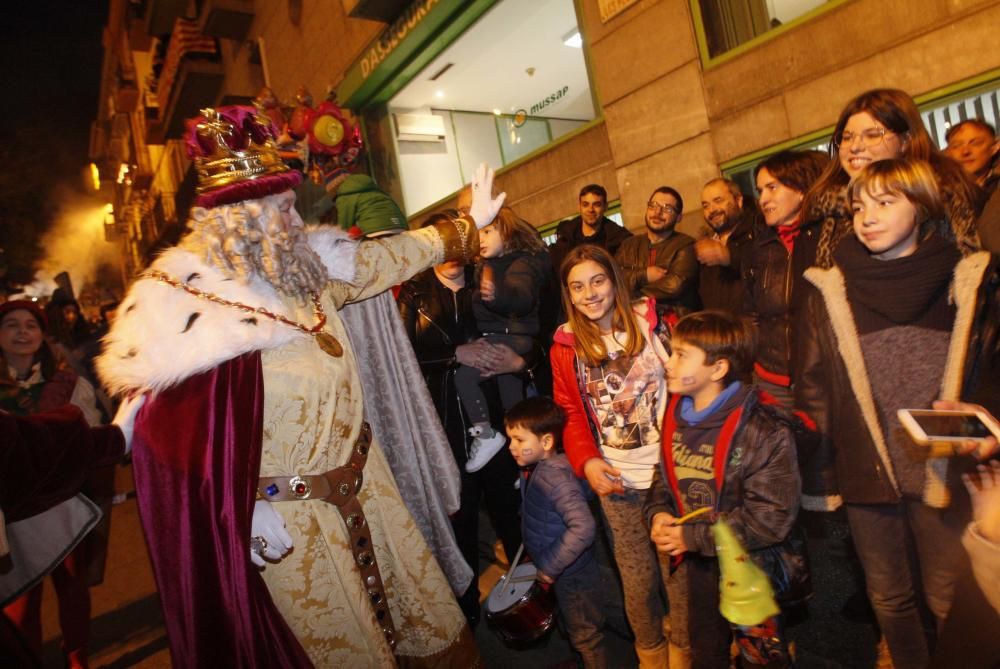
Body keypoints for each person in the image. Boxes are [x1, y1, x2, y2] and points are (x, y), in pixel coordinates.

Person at [95, 106, 506, 667]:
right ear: (243, 217)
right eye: (283, 208)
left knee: (424, 629)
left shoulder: (306, 270)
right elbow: (166, 446)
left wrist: (462, 229)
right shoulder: (184, 305)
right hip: (290, 526)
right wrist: (235, 508)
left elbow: (383, 259)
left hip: (369, 495)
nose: (296, 219)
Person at [794, 158, 999, 669]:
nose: (867, 216)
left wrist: (987, 423)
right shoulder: (829, 289)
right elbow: (813, 389)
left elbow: (990, 368)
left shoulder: (968, 281)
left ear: (922, 205)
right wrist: (820, 482)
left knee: (951, 596)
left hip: (946, 473)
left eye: (886, 203)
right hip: (868, 470)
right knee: (889, 597)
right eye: (859, 206)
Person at [549, 245, 681, 668]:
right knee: (638, 580)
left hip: (668, 474)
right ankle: (651, 656)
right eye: (577, 286)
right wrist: (587, 462)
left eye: (598, 281)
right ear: (568, 295)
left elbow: (686, 386)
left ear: (615, 281)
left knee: (678, 575)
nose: (589, 294)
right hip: (616, 482)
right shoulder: (565, 346)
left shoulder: (656, 324)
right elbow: (569, 412)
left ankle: (685, 650)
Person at [644, 310, 800, 668]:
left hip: (754, 566)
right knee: (706, 648)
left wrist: (691, 538)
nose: (669, 361)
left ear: (717, 369)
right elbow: (664, 478)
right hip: (703, 564)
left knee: (759, 656)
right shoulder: (677, 414)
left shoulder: (765, 430)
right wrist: (660, 512)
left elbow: (770, 519)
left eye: (682, 354)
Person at [397, 211, 525, 627]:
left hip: (502, 420)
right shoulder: (412, 293)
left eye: (459, 240)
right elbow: (400, 361)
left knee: (512, 511)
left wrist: (518, 360)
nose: (453, 252)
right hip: (445, 426)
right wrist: (455, 357)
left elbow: (532, 334)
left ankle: (530, 600)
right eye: (443, 241)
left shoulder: (491, 281)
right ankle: (466, 614)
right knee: (461, 518)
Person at [0, 300, 104, 669]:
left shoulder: (68, 384)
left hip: (65, 504)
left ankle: (77, 658)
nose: (22, 331)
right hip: (11, 514)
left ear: (43, 335)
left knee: (72, 589)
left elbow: (91, 441)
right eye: (11, 324)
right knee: (20, 601)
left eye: (31, 324)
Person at [807, 88, 982, 270]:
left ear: (905, 141)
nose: (855, 147)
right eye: (847, 137)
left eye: (873, 135)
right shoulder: (824, 210)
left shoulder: (937, 199)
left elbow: (965, 279)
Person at [507, 396, 607, 669]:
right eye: (510, 439)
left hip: (572, 573)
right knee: (570, 624)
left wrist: (550, 566)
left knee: (585, 634)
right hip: (562, 569)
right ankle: (579, 661)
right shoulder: (538, 468)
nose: (511, 447)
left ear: (547, 442)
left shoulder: (556, 478)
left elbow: (584, 527)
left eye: (519, 440)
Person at [453, 207, 549, 472]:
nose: (481, 238)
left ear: (505, 232)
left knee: (464, 377)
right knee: (513, 407)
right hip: (505, 338)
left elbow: (521, 297)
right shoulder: (486, 265)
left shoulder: (520, 262)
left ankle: (484, 433)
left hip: (511, 339)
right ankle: (528, 463)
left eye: (487, 231)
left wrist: (496, 295)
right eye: (478, 233)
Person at [744, 150, 829, 407]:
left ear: (802, 188)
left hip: (823, 377)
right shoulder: (758, 247)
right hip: (771, 378)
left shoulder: (828, 236)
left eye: (772, 187)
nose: (764, 199)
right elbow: (750, 313)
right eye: (760, 191)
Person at [615, 186, 700, 323]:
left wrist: (631, 294)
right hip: (633, 325)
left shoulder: (686, 244)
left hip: (675, 326)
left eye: (667, 208)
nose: (657, 212)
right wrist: (643, 275)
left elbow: (674, 285)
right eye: (653, 205)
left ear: (679, 217)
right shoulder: (628, 245)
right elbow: (613, 279)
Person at [696, 178, 755, 315]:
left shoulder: (758, 231)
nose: (712, 210)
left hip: (751, 331)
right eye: (706, 206)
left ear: (738, 200)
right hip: (716, 332)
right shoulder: (703, 246)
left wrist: (730, 257)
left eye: (718, 201)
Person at [549, 184, 632, 275]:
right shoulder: (565, 239)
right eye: (585, 205)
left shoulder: (619, 239)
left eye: (596, 205)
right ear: (579, 207)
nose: (590, 210)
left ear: (605, 207)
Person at [944, 118, 998, 196]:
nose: (965, 151)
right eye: (956, 146)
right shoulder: (939, 194)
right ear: (948, 152)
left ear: (994, 148)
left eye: (976, 143)